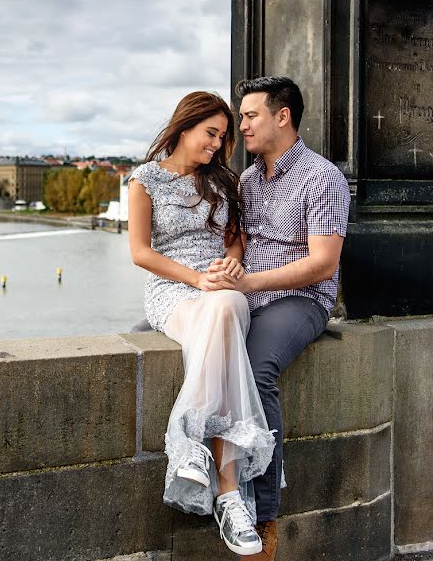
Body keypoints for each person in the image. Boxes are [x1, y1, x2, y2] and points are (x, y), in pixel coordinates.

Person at [206, 76, 350, 560]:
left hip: (300, 299)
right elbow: (241, 240)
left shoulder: (321, 177)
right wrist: (232, 263)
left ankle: (264, 518)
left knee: (256, 365)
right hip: (248, 292)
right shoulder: (247, 179)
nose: (240, 125)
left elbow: (323, 262)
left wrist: (249, 283)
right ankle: (220, 490)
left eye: (249, 116)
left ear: (281, 116)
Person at [128, 91, 276, 557]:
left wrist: (229, 268)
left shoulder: (223, 182)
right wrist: (198, 278)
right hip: (173, 289)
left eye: (223, 137)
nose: (217, 145)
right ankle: (230, 494)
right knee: (224, 311)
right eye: (211, 134)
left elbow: (236, 243)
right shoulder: (143, 180)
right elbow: (140, 253)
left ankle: (189, 439)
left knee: (227, 305)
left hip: (220, 289)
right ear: (185, 126)